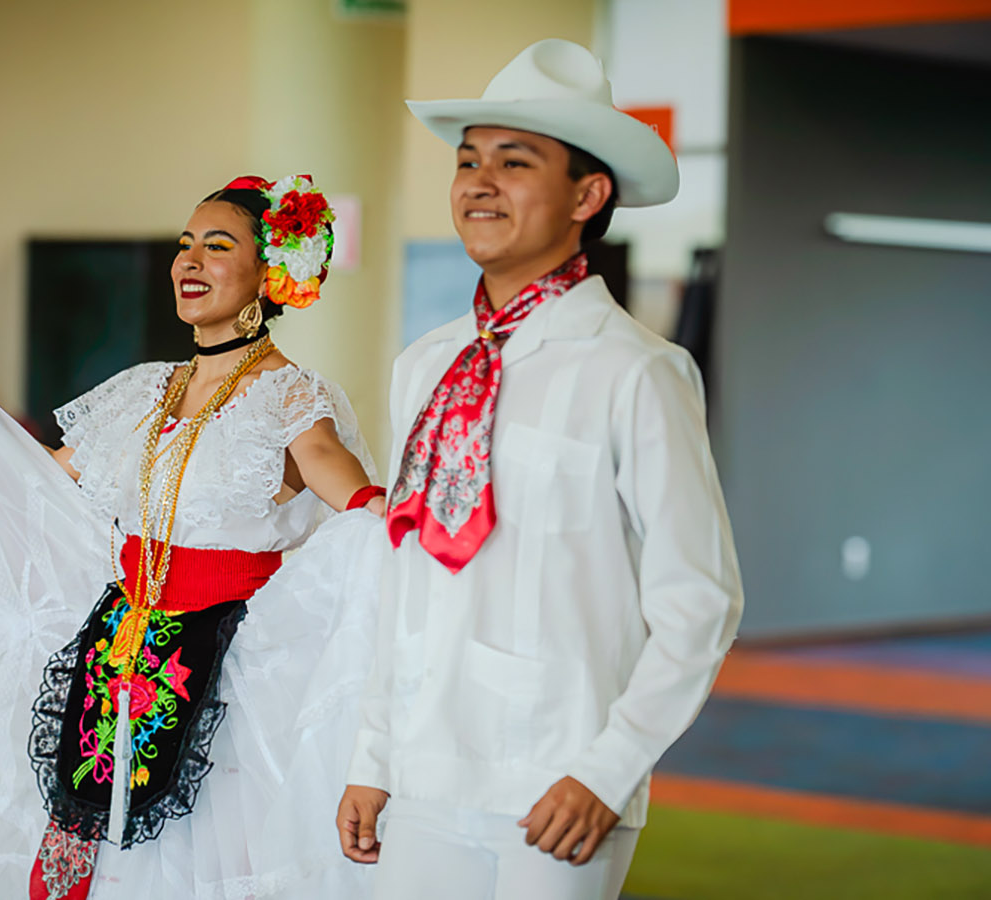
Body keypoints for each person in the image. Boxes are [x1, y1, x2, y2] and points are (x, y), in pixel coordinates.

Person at [0, 174, 388, 900]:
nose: (190, 263)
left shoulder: (288, 395)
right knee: (92, 847)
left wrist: (393, 516)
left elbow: (344, 481)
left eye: (217, 246)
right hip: (113, 648)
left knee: (203, 849)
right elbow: (36, 476)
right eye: (184, 247)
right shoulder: (147, 388)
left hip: (229, 658)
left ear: (271, 272)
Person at [335, 39, 744, 900]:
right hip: (417, 775)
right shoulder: (426, 366)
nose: (479, 182)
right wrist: (373, 753)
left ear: (587, 196)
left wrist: (611, 769)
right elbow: (401, 579)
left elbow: (699, 601)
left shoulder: (636, 371)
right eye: (468, 160)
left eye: (514, 162)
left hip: (558, 782)